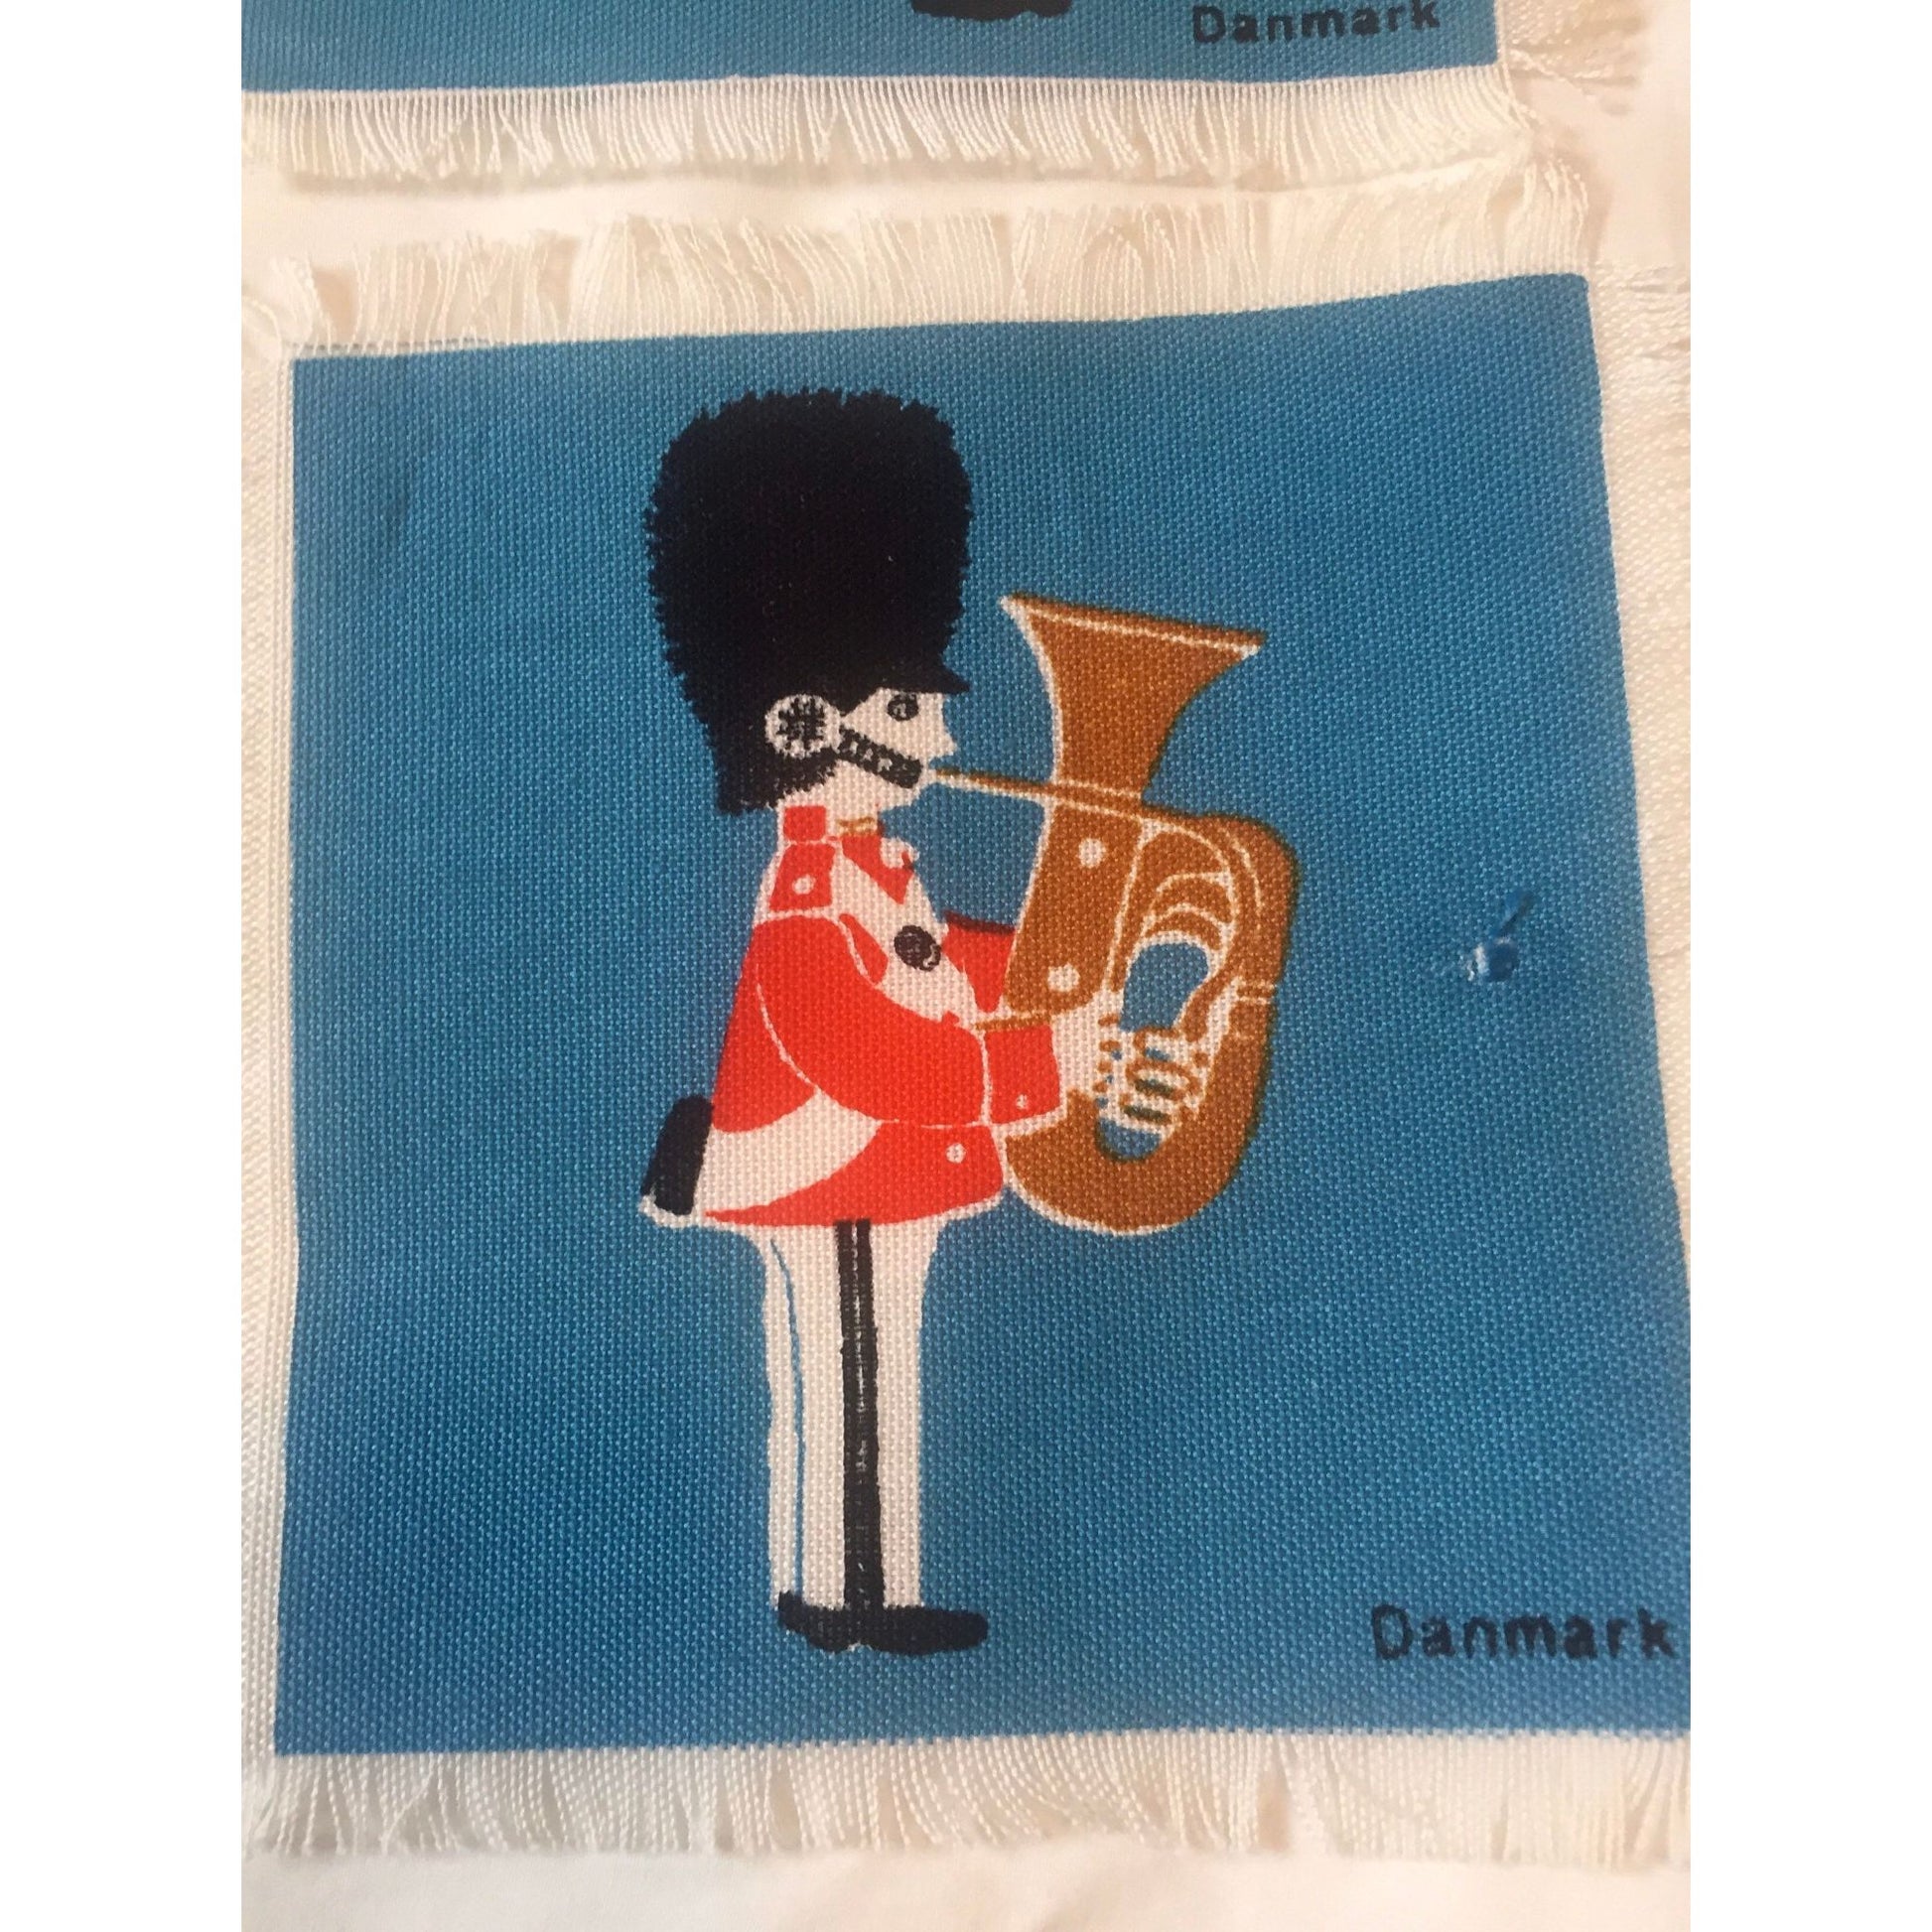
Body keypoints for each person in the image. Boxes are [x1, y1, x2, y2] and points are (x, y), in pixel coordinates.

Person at [639, 388, 1083, 1655]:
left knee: (870, 1367)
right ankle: (843, 1597)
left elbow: (931, 965)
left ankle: (858, 1587)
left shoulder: (871, 870)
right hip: (831, 1173)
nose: (942, 733)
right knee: (850, 1373)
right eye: (905, 708)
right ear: (801, 723)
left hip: (871, 1175)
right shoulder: (806, 892)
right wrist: (1034, 1064)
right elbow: (863, 1052)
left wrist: (1064, 956)